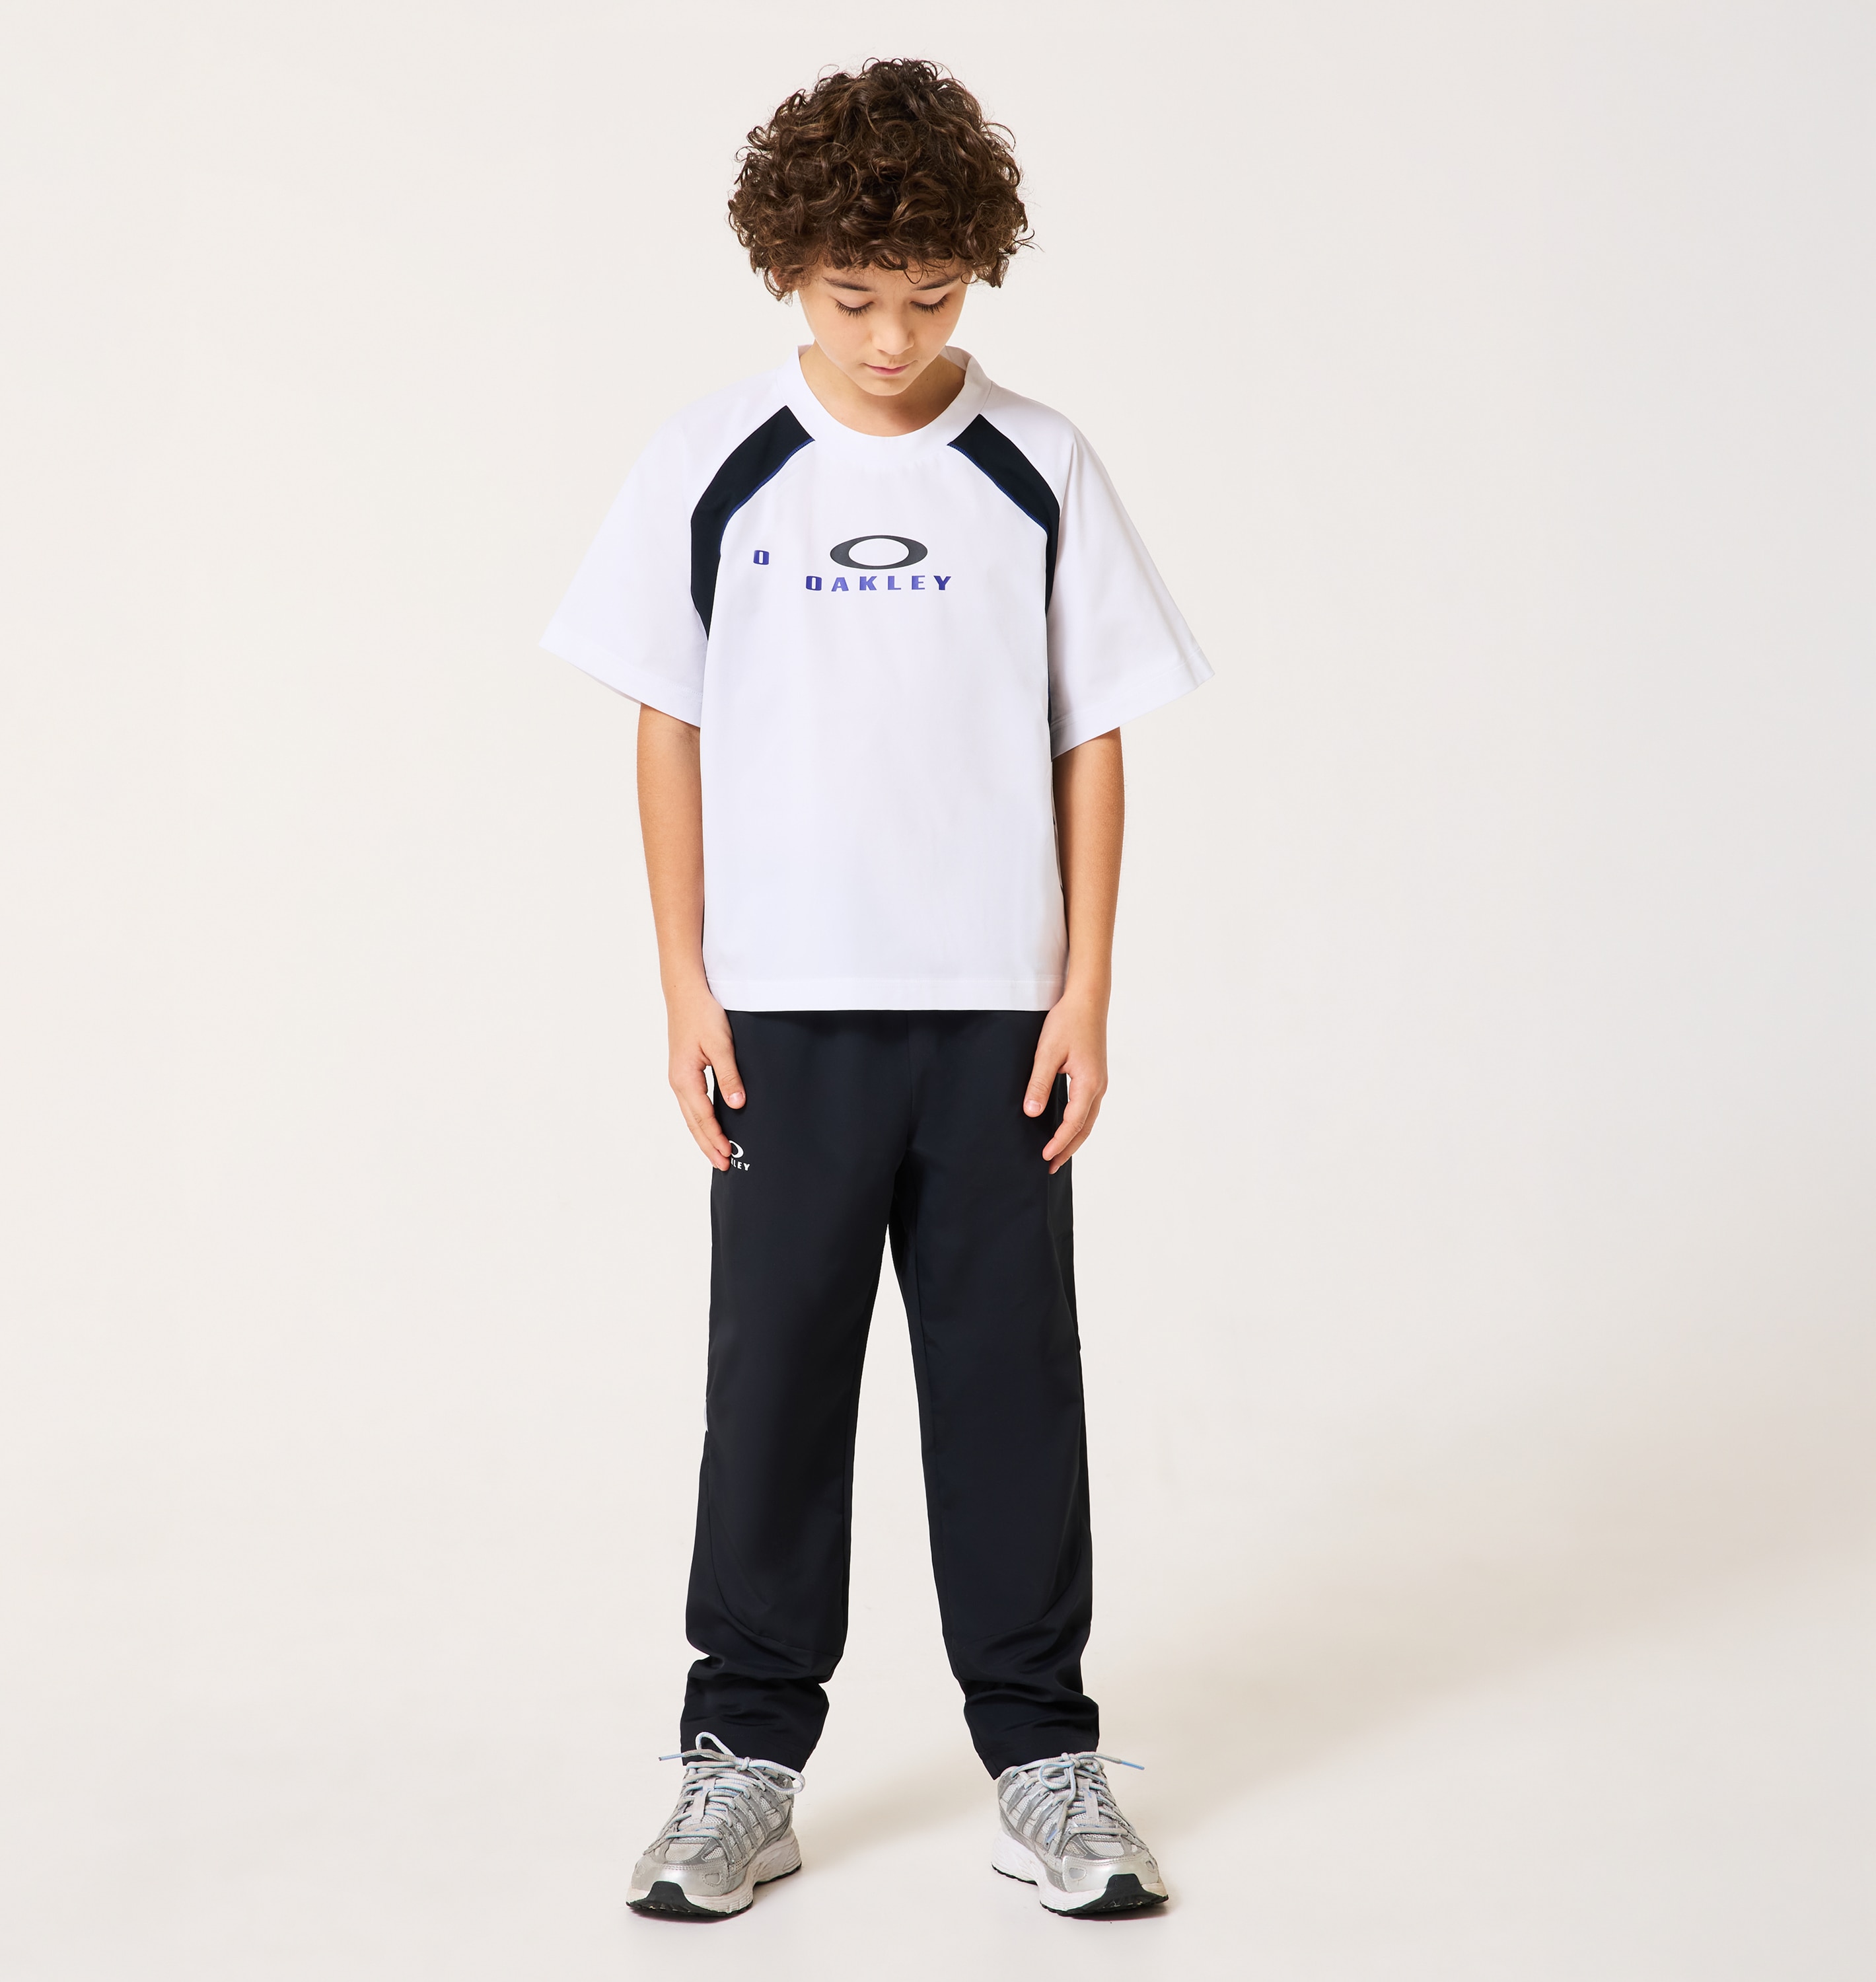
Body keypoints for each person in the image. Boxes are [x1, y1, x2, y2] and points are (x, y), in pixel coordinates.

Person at [542, 58, 1209, 1921]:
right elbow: (666, 725)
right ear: (788, 270)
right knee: (773, 1387)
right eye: (857, 298)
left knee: (1011, 1386)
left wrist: (1086, 989)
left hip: (998, 1016)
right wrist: (684, 984)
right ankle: (741, 1760)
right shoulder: (711, 462)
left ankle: (1044, 1759)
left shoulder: (1037, 463)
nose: (898, 337)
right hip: (781, 1015)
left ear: (976, 268)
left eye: (933, 294)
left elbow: (1094, 734)